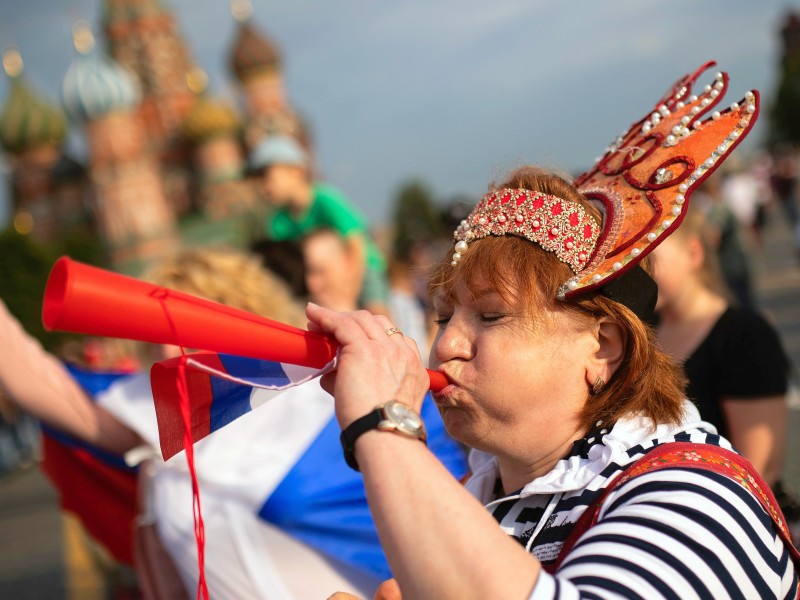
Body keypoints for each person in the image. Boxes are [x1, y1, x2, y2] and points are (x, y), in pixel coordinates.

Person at [306, 66, 799, 598]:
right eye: (445, 316)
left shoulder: (694, 496)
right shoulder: (490, 490)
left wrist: (385, 428)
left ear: (601, 347)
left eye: (492, 316)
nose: (446, 344)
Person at [0, 246, 468, 599]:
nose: (166, 350)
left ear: (233, 309)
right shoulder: (153, 410)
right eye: (155, 333)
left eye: (178, 329)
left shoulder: (319, 398)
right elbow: (36, 381)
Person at [651, 202, 791, 488]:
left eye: (649, 261)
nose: (636, 274)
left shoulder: (745, 336)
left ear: (693, 253)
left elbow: (757, 471)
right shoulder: (643, 330)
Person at [249, 134, 390, 314]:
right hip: (320, 278)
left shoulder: (325, 199)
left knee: (378, 315)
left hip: (362, 268)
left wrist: (349, 297)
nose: (263, 186)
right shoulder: (278, 222)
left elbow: (357, 245)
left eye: (267, 176)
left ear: (295, 171)